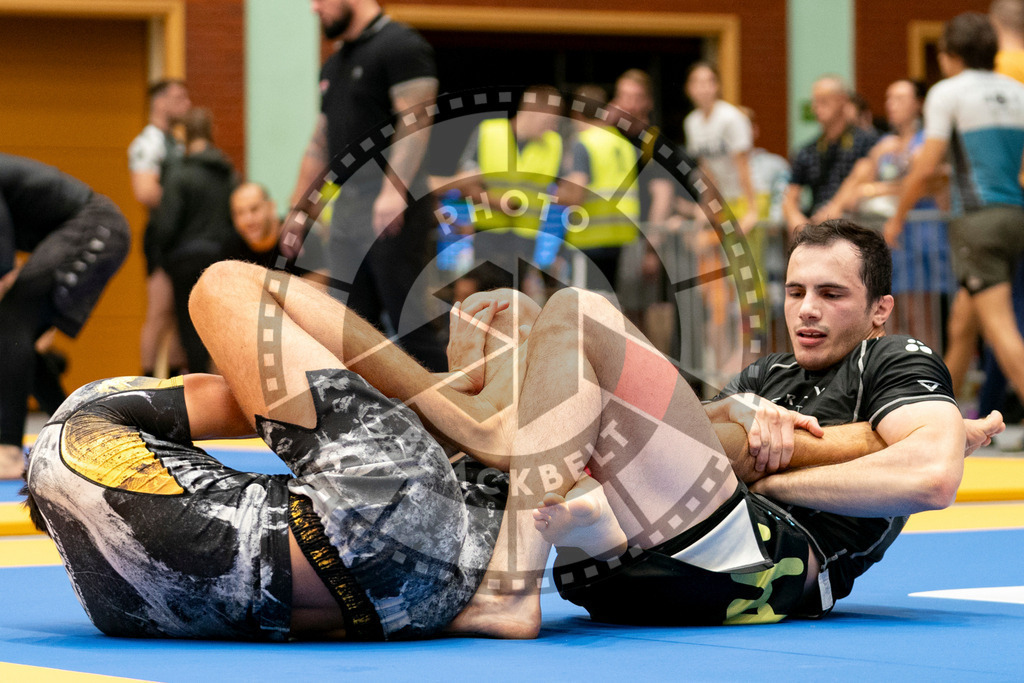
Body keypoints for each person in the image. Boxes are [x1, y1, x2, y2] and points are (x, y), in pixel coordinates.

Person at [22, 223, 999, 638]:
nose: (806, 309)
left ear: (879, 309)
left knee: (571, 318)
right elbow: (704, 432)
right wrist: (742, 427)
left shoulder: (894, 361)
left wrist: (783, 460)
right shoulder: (772, 374)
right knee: (533, 332)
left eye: (831, 294)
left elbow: (932, 469)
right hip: (637, 564)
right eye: (792, 290)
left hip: (760, 569)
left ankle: (513, 546)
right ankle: (512, 481)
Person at [289, 0, 446, 372]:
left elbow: (417, 119)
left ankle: (460, 423)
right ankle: (369, 424)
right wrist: (300, 209)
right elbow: (321, 141)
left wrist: (394, 190)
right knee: (351, 331)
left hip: (393, 206)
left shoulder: (401, 45)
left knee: (413, 328)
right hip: (349, 209)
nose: (315, 9)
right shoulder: (335, 63)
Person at [886, 13, 1024, 424]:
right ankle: (940, 422)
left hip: (977, 222)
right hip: (1015, 215)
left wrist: (897, 216)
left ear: (949, 56)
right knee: (964, 323)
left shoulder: (948, 92)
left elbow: (928, 164)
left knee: (1001, 331)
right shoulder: (1017, 91)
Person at [0, 153, 131, 479]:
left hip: (95, 224)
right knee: (18, 336)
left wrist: (5, 276)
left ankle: (8, 450)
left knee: (11, 324)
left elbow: (4, 259)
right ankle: (76, 433)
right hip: (84, 228)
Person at [826, 79, 955, 348]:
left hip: (923, 235)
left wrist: (875, 189)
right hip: (893, 241)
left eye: (899, 98)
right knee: (896, 314)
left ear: (918, 104)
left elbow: (926, 182)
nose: (891, 105)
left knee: (925, 314)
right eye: (888, 98)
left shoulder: (929, 141)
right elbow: (855, 189)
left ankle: (927, 374)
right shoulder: (884, 144)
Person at [149, 107, 239, 374]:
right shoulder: (229, 173)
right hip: (221, 260)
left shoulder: (179, 173)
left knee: (190, 330)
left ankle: (199, 389)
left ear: (185, 136)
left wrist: (158, 255)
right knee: (216, 329)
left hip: (185, 261)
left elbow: (166, 225)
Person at [129, 78, 191, 378]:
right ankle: (147, 381)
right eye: (179, 97)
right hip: (162, 236)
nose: (187, 104)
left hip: (183, 236)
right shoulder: (148, 143)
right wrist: (184, 201)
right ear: (160, 102)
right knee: (160, 311)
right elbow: (145, 191)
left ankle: (178, 385)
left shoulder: (177, 144)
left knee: (182, 314)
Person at [558, 85, 640, 291]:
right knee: (610, 301)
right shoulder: (622, 142)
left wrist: (552, 196)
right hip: (622, 235)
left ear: (575, 113)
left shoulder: (583, 143)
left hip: (590, 236)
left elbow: (576, 193)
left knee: (585, 303)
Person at [783, 75, 877, 233]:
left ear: (843, 100)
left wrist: (835, 207)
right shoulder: (807, 151)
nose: (816, 107)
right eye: (815, 101)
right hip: (820, 230)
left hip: (858, 229)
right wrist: (796, 220)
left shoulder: (867, 141)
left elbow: (863, 174)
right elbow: (790, 196)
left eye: (824, 100)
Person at [225, 181, 328, 279]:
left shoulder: (300, 236)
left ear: (271, 206)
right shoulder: (230, 248)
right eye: (239, 213)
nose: (248, 220)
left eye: (254, 209)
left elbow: (319, 289)